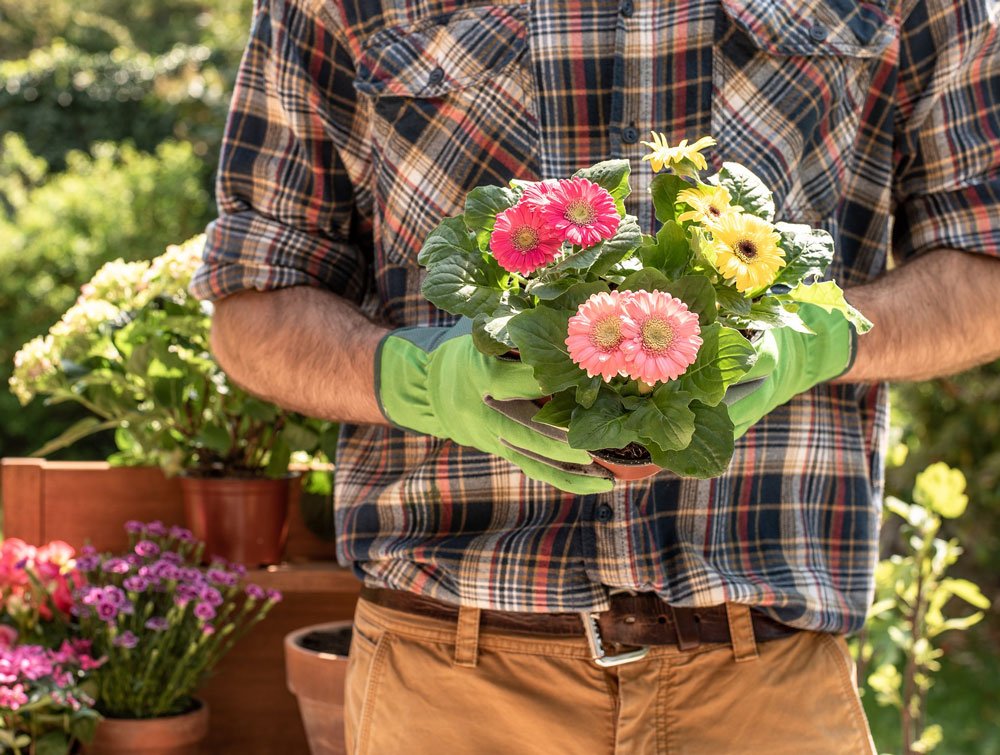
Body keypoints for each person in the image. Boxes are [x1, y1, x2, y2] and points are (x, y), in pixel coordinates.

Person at [191, 0, 1000, 752]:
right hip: (453, 683)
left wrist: (823, 336)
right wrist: (417, 377)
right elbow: (254, 299)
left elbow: (984, 266)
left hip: (766, 686)